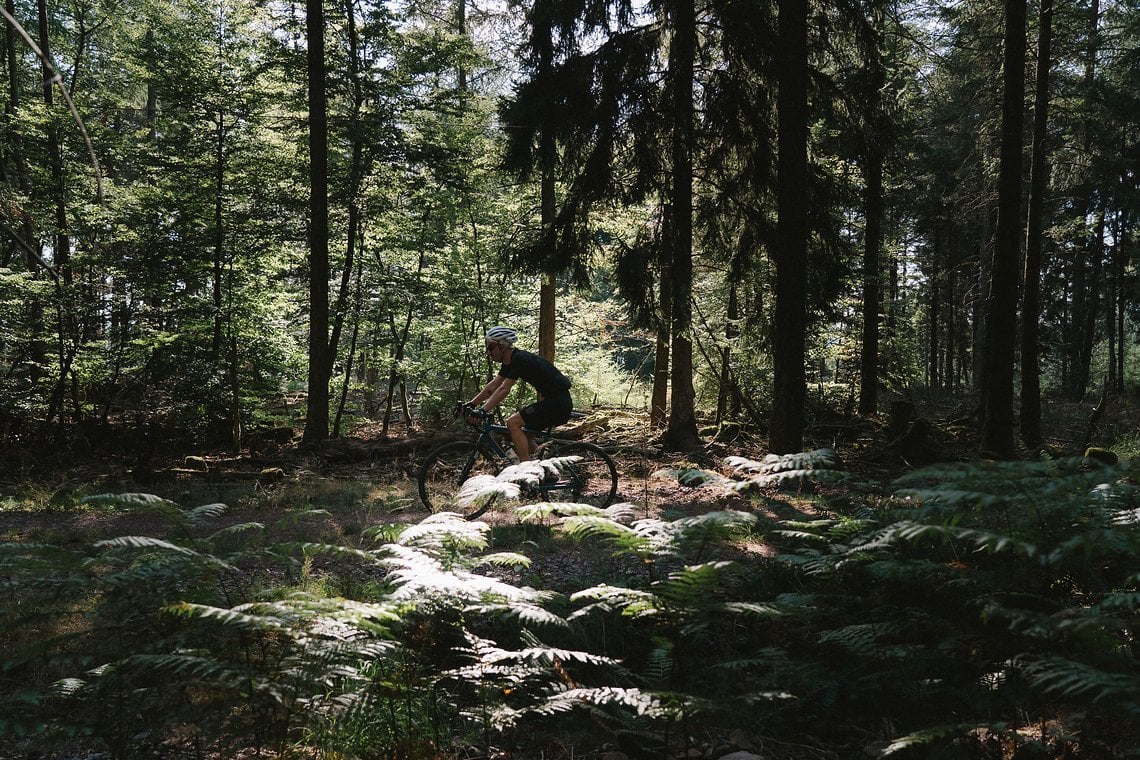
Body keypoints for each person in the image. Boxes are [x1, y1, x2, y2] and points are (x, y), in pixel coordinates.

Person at [467, 326, 573, 461]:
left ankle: (525, 469)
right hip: (556, 401)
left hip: (558, 403)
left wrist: (483, 410)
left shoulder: (519, 359)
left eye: (491, 347)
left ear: (503, 346)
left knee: (513, 423)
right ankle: (545, 467)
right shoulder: (511, 361)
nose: (488, 352)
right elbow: (494, 386)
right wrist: (472, 403)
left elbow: (504, 389)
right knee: (525, 435)